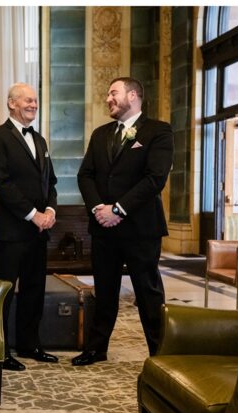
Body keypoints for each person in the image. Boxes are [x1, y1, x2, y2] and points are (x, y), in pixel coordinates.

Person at [74, 77, 173, 365]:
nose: (108, 98)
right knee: (105, 290)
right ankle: (96, 348)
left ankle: (160, 352)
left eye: (113, 93)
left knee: (147, 291)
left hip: (141, 227)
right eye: (107, 94)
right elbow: (85, 175)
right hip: (103, 227)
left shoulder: (158, 131)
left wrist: (117, 209)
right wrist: (98, 209)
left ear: (133, 95)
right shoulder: (101, 133)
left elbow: (155, 178)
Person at [0, 82, 59, 371]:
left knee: (34, 290)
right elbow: (0, 183)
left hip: (39, 231)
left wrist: (50, 209)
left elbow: (50, 182)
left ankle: (30, 344)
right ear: (11, 103)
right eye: (28, 100)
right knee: (4, 291)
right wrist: (32, 214)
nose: (34, 105)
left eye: (36, 101)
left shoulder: (40, 140)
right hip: (11, 231)